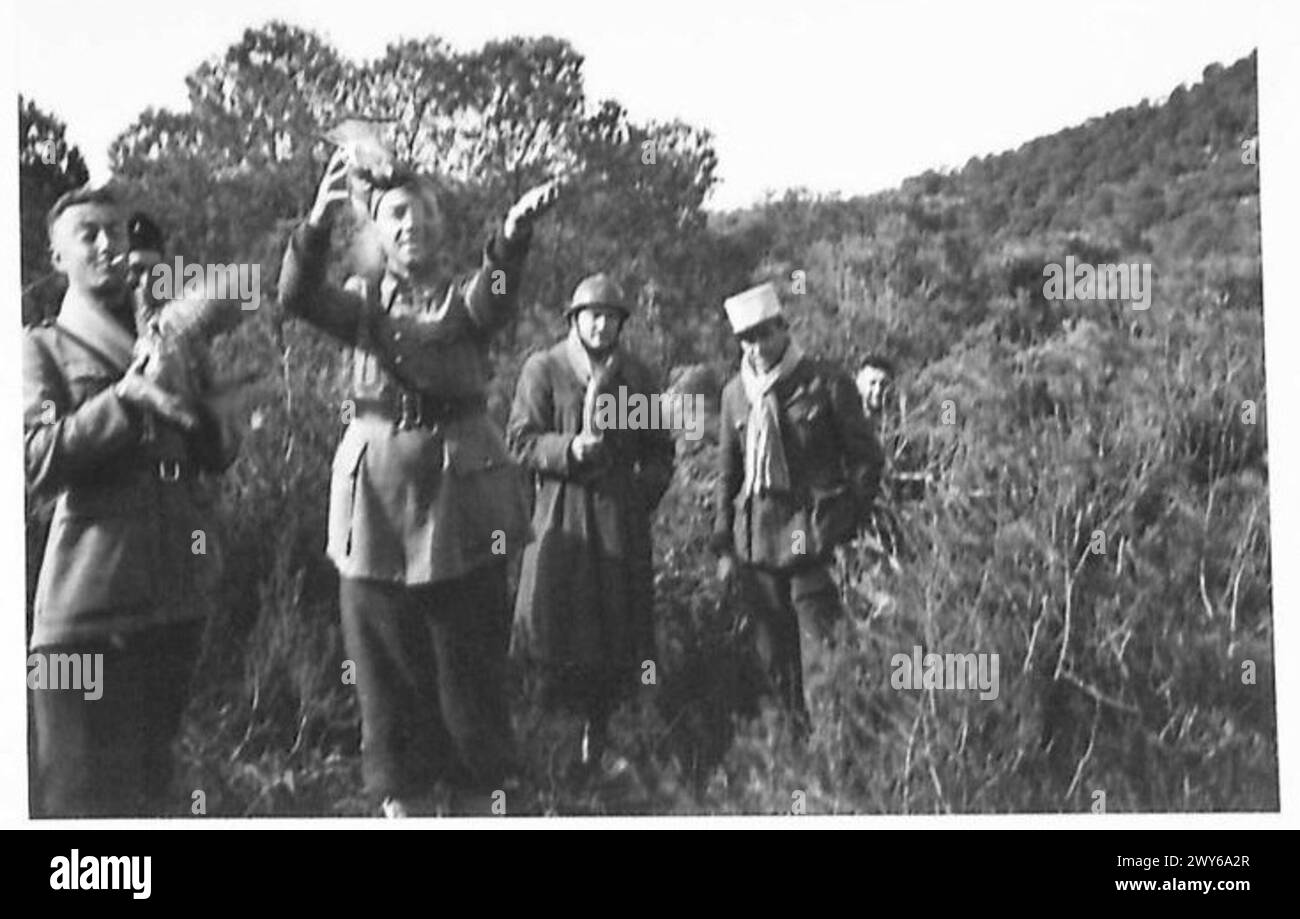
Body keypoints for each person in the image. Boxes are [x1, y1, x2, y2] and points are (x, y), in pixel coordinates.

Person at [277, 147, 559, 817]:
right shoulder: (360, 302)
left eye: (425, 213)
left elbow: (492, 300)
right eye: (397, 215)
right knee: (382, 653)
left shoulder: (462, 299)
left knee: (467, 653)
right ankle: (398, 791)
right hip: (373, 497)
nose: (413, 226)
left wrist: (512, 238)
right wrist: (316, 225)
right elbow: (294, 296)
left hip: (463, 496)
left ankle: (480, 786)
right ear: (376, 228)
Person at [25, 188, 236, 816]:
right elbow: (34, 458)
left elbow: (218, 454)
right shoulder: (37, 349)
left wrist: (190, 375)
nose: (107, 245)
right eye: (87, 233)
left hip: (169, 610)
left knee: (148, 793)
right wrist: (128, 398)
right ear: (56, 255)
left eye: (116, 232)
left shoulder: (165, 337)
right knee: (76, 801)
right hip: (80, 626)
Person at [507, 273, 674, 772]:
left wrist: (640, 496)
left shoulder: (638, 378)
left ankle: (601, 744)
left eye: (610, 317)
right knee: (551, 630)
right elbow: (519, 441)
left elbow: (661, 453)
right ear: (574, 319)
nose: (601, 326)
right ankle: (545, 749)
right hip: (562, 518)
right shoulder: (545, 369)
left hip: (620, 524)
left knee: (615, 636)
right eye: (591, 316)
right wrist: (568, 449)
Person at [710, 283, 883, 732]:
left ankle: (839, 768)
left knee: (823, 667)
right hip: (758, 551)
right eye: (747, 338)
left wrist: (844, 519)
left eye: (766, 334)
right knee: (775, 672)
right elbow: (728, 477)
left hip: (813, 544)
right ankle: (790, 773)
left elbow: (866, 458)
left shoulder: (825, 381)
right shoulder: (734, 395)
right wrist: (724, 547)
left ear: (784, 329)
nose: (758, 346)